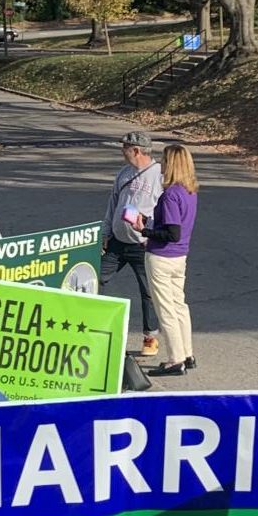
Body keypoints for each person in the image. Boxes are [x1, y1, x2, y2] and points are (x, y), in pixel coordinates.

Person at [103, 129, 163, 356]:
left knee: (148, 291)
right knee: (96, 277)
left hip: (142, 244)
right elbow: (113, 203)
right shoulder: (123, 174)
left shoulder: (159, 176)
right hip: (117, 242)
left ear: (136, 150)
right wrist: (105, 232)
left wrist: (152, 233)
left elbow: (164, 211)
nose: (122, 151)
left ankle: (150, 337)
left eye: (125, 148)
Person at [145, 141, 198, 375]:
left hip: (161, 256)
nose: (162, 165)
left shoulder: (170, 195)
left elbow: (171, 232)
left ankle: (175, 359)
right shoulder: (189, 191)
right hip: (180, 257)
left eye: (164, 161)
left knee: (165, 309)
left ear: (172, 164)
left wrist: (145, 231)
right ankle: (187, 353)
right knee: (179, 305)